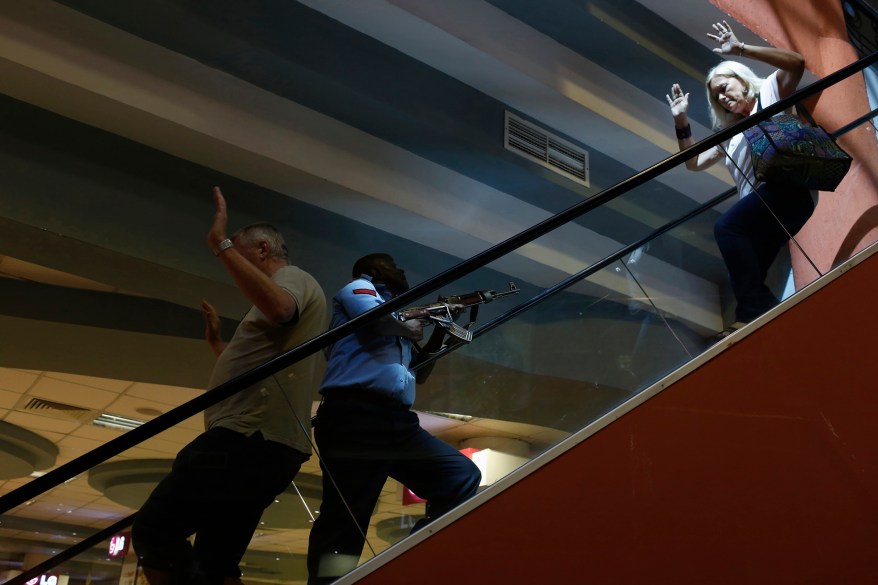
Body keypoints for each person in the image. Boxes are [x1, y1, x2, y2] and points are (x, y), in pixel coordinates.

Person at [131, 186, 327, 585]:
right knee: (215, 560)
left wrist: (219, 244)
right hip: (265, 444)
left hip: (246, 438)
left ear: (262, 250)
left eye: (240, 252)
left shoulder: (293, 278)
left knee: (155, 529)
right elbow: (264, 361)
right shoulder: (287, 289)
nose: (234, 260)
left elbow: (281, 309)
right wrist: (219, 345)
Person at [306, 253, 481, 584]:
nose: (401, 270)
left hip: (396, 422)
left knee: (460, 477)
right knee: (346, 521)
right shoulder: (359, 288)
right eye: (391, 265)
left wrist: (441, 329)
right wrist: (413, 325)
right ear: (373, 270)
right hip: (354, 416)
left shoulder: (398, 319)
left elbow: (421, 372)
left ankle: (409, 557)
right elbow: (376, 322)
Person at [666, 21, 813, 337]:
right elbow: (693, 163)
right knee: (747, 277)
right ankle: (783, 326)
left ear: (742, 81)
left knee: (727, 227)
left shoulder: (770, 93)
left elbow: (797, 63)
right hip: (763, 210)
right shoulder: (728, 135)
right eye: (716, 97)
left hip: (789, 189)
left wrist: (741, 48)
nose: (721, 98)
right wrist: (681, 120)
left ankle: (750, 316)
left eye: (724, 88)